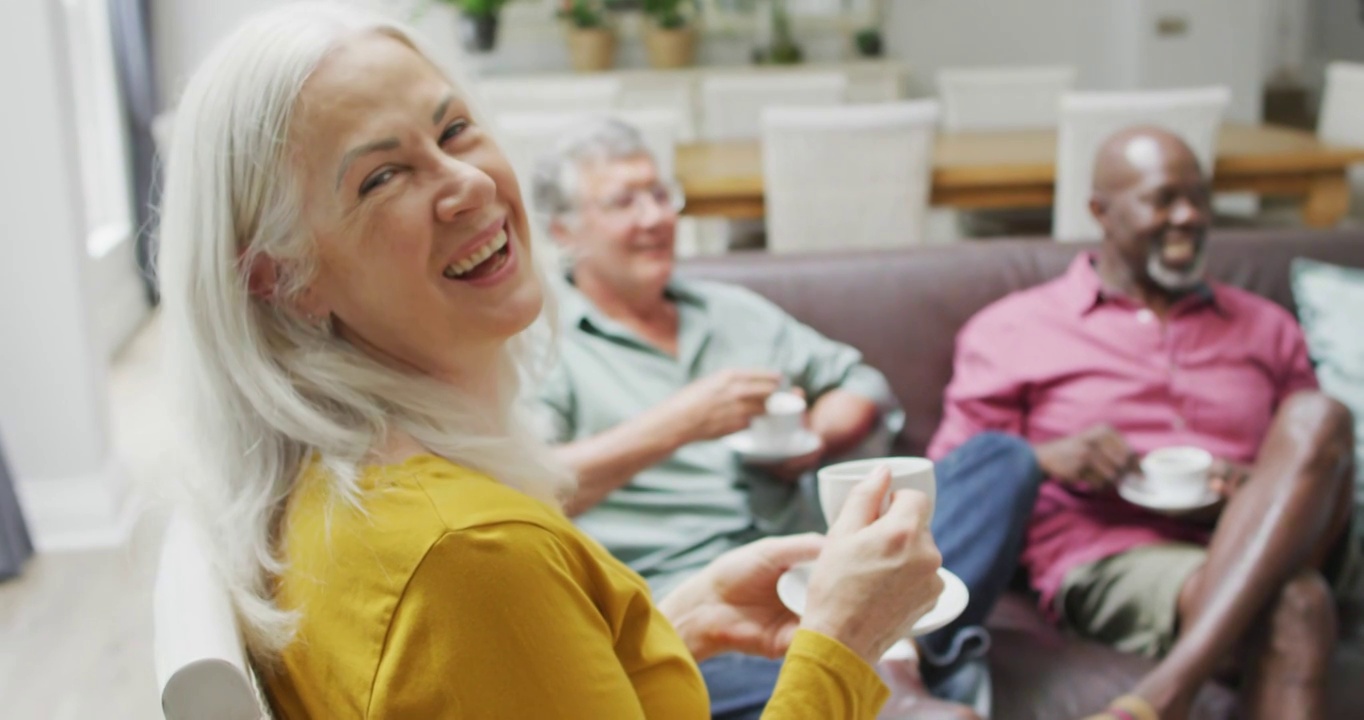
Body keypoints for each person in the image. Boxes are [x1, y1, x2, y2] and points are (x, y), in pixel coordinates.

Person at [155, 3, 950, 719]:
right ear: (280, 274)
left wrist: (677, 621)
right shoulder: (467, 556)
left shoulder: (344, 494)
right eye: (384, 175)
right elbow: (477, 616)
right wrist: (842, 644)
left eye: (455, 129)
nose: (466, 182)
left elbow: (501, 685)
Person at [532, 118, 1043, 718]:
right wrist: (682, 421)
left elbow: (861, 385)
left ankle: (889, 667)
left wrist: (815, 438)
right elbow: (536, 486)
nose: (653, 217)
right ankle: (907, 676)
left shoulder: (734, 313)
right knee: (663, 662)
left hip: (813, 563)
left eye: (660, 194)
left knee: (1000, 461)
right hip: (696, 600)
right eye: (623, 202)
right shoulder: (544, 344)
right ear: (563, 230)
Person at [928, 126, 1356, 720]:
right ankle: (1176, 687)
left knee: (1319, 417)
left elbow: (1319, 472)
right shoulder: (1013, 330)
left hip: (1254, 537)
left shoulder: (1266, 325)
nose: (1188, 216)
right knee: (1299, 603)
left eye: (1198, 197)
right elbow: (951, 485)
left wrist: (1252, 486)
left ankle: (1161, 696)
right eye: (1162, 200)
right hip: (1114, 555)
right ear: (1100, 212)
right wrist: (1047, 458)